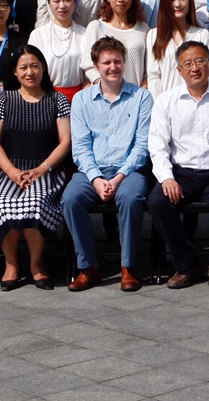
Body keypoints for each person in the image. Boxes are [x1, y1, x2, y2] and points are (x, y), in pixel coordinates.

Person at [147, 40, 209, 289]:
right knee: (158, 202)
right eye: (188, 64)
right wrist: (167, 178)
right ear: (179, 70)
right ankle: (186, 264)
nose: (195, 68)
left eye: (200, 61)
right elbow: (157, 145)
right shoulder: (166, 101)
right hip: (181, 173)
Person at [64, 38, 154, 292]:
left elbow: (142, 146)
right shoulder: (81, 100)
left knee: (131, 198)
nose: (113, 67)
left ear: (124, 63)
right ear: (96, 66)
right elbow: (80, 147)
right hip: (92, 170)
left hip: (129, 171)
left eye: (117, 61)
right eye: (106, 62)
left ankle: (128, 266)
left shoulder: (142, 97)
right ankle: (87, 267)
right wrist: (96, 179)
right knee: (70, 199)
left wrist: (117, 178)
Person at [0, 45, 72, 292]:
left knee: (35, 202)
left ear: (43, 68)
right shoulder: (4, 99)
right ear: (15, 72)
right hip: (9, 169)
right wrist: (12, 172)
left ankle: (36, 264)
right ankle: (11, 264)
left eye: (34, 66)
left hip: (47, 170)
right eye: (23, 67)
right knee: (4, 203)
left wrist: (42, 169)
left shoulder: (57, 99)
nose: (29, 72)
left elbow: (65, 141)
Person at [145, 0, 209, 97]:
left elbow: (206, 73)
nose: (177, 4)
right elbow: (153, 76)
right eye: (171, 0)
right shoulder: (153, 35)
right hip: (165, 102)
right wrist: (160, 104)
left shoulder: (202, 34)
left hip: (195, 101)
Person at [82, 0, 150, 87]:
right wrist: (108, 88)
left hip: (135, 93)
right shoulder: (96, 27)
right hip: (104, 93)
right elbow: (88, 65)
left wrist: (141, 91)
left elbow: (148, 69)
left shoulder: (143, 29)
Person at [28, 0, 90, 101]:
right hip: (45, 97)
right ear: (49, 3)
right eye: (56, 1)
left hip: (79, 97)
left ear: (75, 1)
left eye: (67, 0)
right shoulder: (38, 35)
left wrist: (82, 96)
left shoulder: (85, 33)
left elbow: (91, 70)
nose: (62, 6)